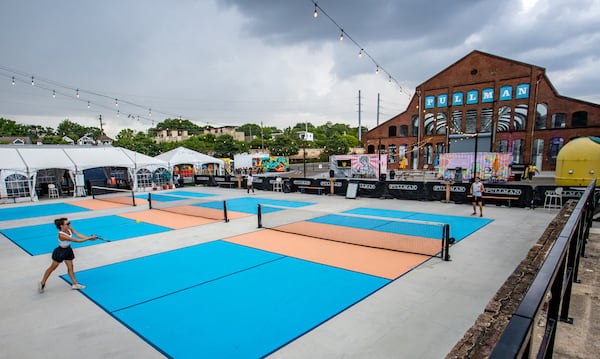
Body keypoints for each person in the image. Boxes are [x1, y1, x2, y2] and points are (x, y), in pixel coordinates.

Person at [38, 218, 97, 293]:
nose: (69, 224)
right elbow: (77, 240)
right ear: (61, 226)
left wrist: (89, 238)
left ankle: (75, 284)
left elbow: (77, 234)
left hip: (68, 250)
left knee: (70, 267)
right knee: (52, 268)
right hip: (60, 252)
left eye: (69, 223)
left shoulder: (69, 228)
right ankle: (42, 282)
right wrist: (89, 238)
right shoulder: (61, 235)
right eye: (67, 224)